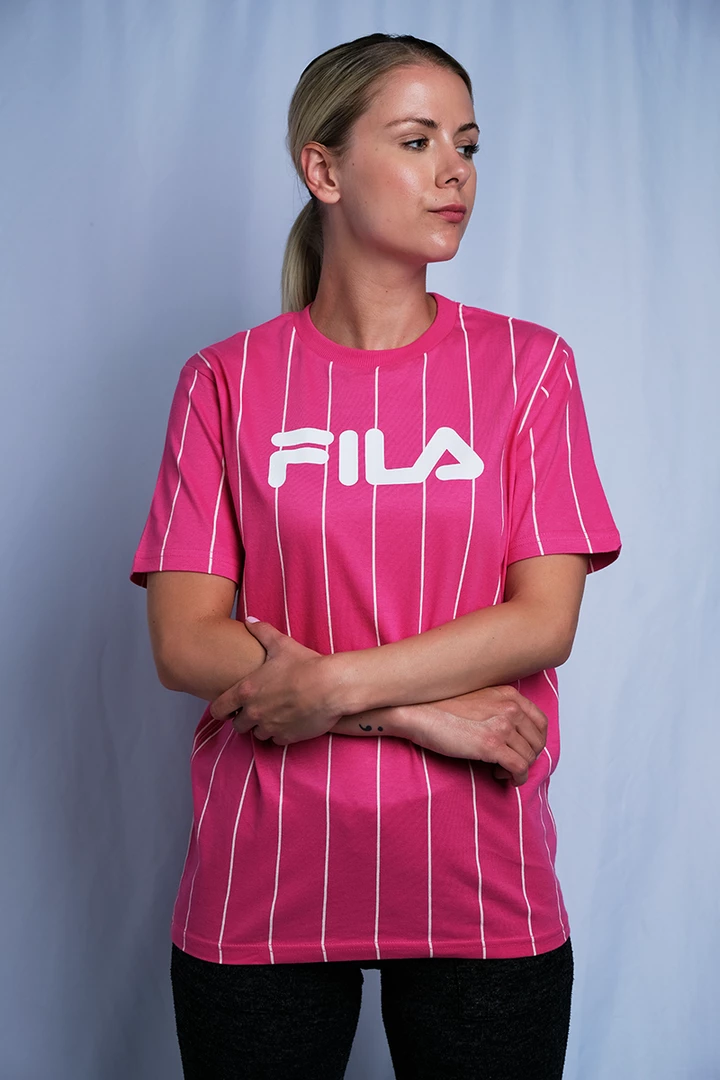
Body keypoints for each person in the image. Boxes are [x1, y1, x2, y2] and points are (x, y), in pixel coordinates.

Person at [130, 32, 621, 1080]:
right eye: (416, 140)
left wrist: (334, 689)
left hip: (479, 870)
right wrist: (418, 714)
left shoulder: (530, 368)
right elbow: (184, 642)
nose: (455, 172)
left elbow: (544, 622)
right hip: (262, 872)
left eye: (468, 145)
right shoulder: (225, 381)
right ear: (324, 169)